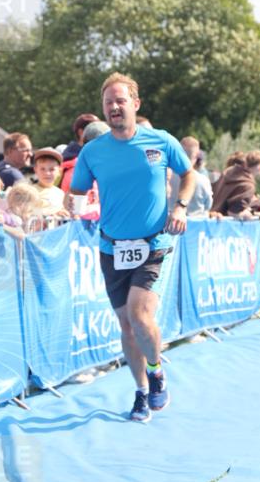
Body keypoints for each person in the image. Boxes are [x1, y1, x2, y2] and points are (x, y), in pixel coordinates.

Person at [69, 72, 196, 424]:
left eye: (120, 100)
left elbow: (188, 175)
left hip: (154, 241)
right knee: (126, 326)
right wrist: (74, 209)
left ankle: (156, 372)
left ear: (135, 104)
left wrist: (181, 206)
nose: (113, 107)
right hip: (111, 247)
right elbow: (78, 192)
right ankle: (141, 391)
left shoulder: (161, 141)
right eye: (108, 102)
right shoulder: (93, 152)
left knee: (140, 315)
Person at [210, 151, 260, 218]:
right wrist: (248, 215)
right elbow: (233, 212)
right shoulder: (247, 185)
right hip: (226, 225)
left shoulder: (228, 172)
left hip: (213, 220)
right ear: (259, 167)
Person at [168, 137, 213, 216]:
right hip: (197, 226)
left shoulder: (166, 177)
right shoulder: (204, 181)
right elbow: (208, 206)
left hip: (169, 224)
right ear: (197, 156)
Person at [33, 148, 68, 216]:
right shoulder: (31, 191)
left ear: (59, 171)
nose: (47, 173)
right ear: (35, 170)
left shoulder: (60, 193)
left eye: (52, 169)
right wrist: (52, 214)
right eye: (42, 169)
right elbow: (28, 213)